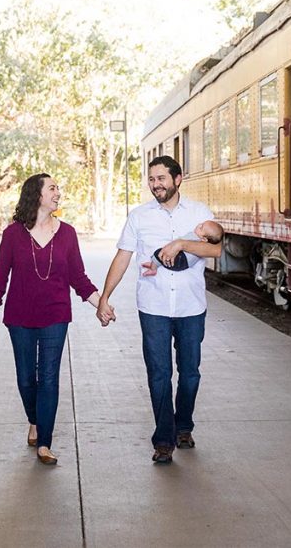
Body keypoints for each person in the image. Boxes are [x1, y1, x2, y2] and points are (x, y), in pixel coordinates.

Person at [96, 156, 223, 464]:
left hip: (191, 305)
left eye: (161, 178)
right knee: (159, 374)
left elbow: (215, 248)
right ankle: (164, 439)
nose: (156, 184)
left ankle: (184, 425)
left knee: (190, 373)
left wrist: (182, 243)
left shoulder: (199, 213)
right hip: (152, 305)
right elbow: (123, 256)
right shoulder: (139, 216)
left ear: (177, 179)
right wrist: (104, 297)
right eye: (152, 179)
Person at [0, 173, 103, 465]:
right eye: (52, 188)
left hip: (55, 316)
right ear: (36, 195)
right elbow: (0, 278)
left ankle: (45, 443)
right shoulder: (12, 234)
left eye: (58, 188)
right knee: (26, 378)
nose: (58, 193)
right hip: (19, 317)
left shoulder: (68, 233)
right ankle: (34, 420)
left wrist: (100, 304)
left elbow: (78, 278)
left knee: (48, 378)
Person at [142, 220, 224, 275]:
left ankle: (153, 268)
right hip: (185, 263)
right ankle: (155, 263)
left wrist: (176, 245)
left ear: (204, 238)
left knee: (160, 252)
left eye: (201, 227)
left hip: (181, 260)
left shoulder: (194, 236)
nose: (199, 225)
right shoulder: (203, 243)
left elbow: (176, 244)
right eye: (201, 224)